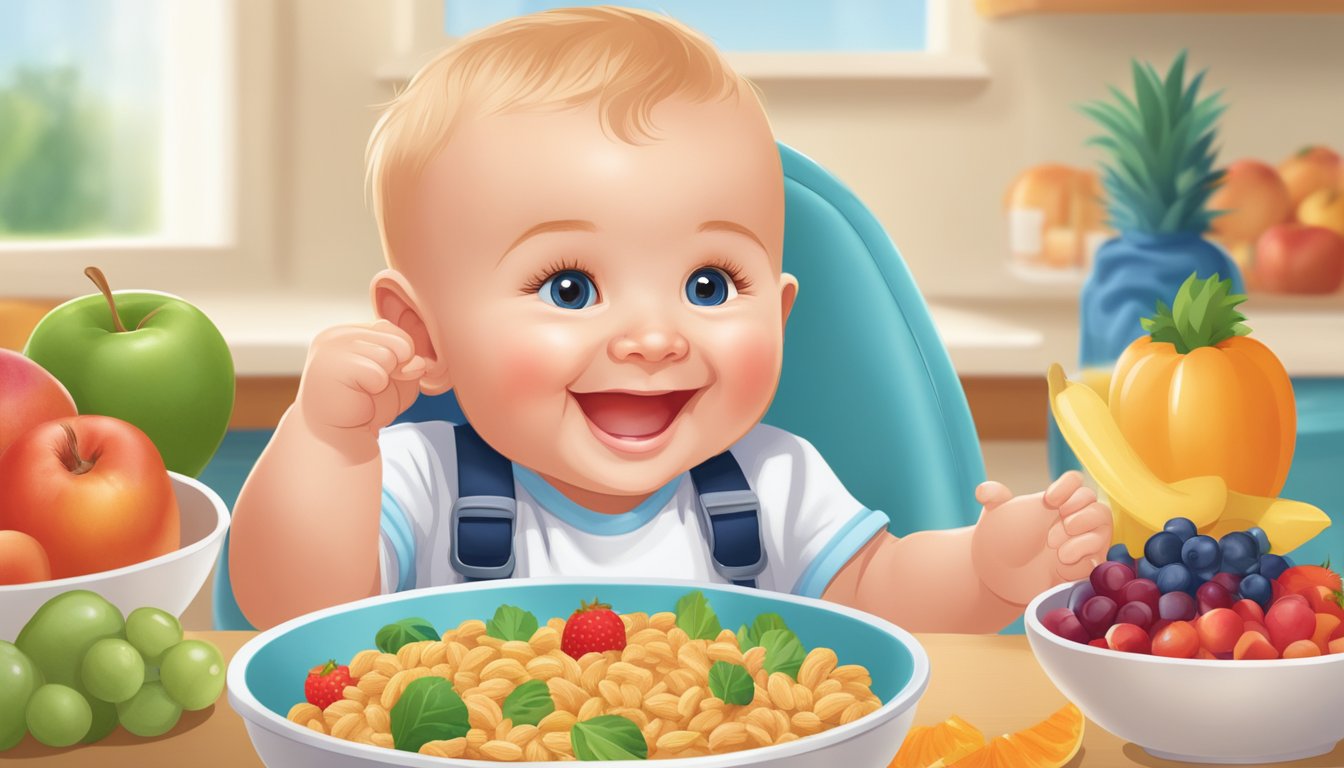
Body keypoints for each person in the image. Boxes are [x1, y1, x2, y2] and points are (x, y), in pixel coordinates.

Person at [230, 6, 1111, 632]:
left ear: (782, 310)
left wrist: (988, 569)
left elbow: (881, 597)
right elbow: (298, 608)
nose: (655, 339)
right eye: (571, 288)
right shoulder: (418, 481)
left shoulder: (774, 483)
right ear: (424, 338)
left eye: (710, 284)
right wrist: (328, 442)